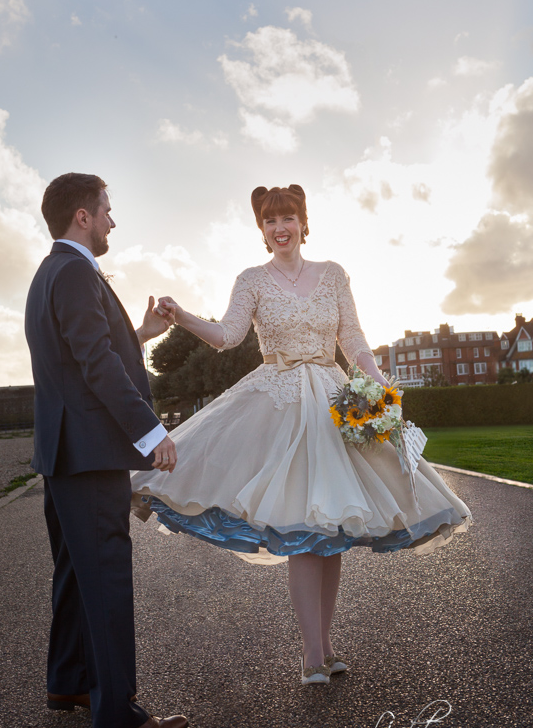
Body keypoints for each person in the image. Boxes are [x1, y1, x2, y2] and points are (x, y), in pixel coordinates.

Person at [130, 184, 473, 686]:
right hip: (280, 404)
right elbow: (228, 337)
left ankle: (325, 646)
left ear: (303, 222)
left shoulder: (332, 274)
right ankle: (311, 653)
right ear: (262, 230)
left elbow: (352, 337)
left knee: (330, 534)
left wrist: (378, 385)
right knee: (303, 530)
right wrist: (181, 317)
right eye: (270, 221)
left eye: (288, 217)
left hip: (334, 401)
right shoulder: (251, 280)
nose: (280, 227)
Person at [25, 172, 188, 728]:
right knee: (107, 577)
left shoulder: (53, 272)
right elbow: (94, 362)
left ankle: (69, 682)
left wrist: (138, 333)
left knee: (74, 571)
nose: (113, 220)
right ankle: (117, 715)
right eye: (107, 210)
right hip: (90, 455)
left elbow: (83, 351)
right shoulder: (73, 271)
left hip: (65, 452)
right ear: (83, 217)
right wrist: (150, 431)